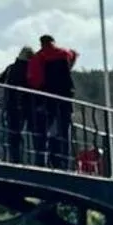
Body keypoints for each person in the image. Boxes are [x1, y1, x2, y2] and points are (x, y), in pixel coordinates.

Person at [27, 33, 77, 168]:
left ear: (41, 43)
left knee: (44, 132)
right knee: (64, 132)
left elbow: (36, 80)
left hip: (47, 99)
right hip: (66, 98)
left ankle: (43, 162)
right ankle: (64, 163)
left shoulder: (39, 57)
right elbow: (75, 54)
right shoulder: (64, 53)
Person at [0, 46, 35, 163]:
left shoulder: (11, 68)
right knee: (31, 133)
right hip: (27, 105)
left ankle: (14, 158)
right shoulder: (31, 68)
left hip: (11, 104)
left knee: (13, 133)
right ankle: (25, 158)